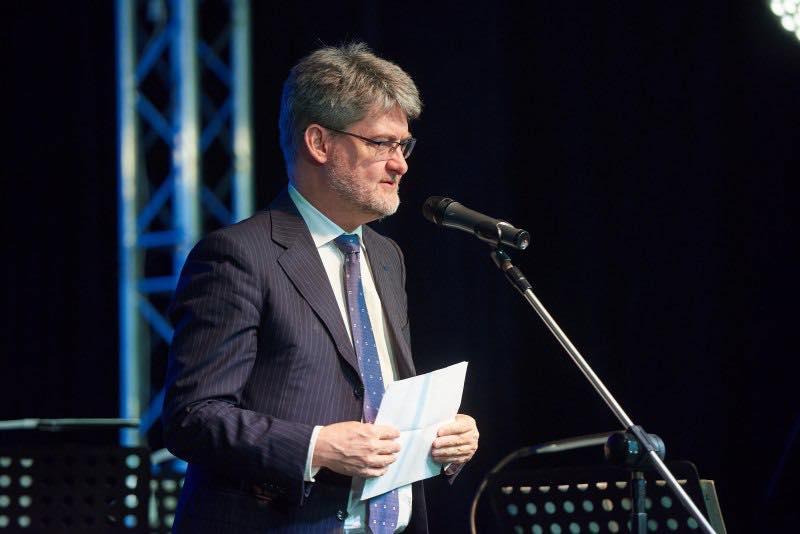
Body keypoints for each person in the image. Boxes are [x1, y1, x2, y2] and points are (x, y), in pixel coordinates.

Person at [163, 42, 479, 533]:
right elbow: (193, 417)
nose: (400, 164)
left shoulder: (386, 257)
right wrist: (316, 448)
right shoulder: (238, 255)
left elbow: (377, 397)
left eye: (403, 146)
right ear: (319, 143)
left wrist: (440, 438)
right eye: (381, 143)